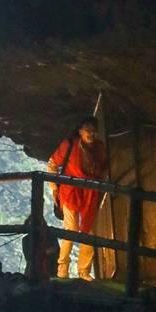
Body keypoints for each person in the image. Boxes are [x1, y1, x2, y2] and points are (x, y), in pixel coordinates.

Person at [48, 117, 109, 280]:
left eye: (93, 129)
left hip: (90, 193)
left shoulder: (100, 148)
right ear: (80, 131)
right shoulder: (69, 145)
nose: (91, 133)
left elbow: (103, 170)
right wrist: (54, 188)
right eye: (87, 129)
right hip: (70, 191)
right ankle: (62, 269)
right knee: (71, 230)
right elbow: (53, 163)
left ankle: (84, 271)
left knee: (88, 231)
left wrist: (101, 189)